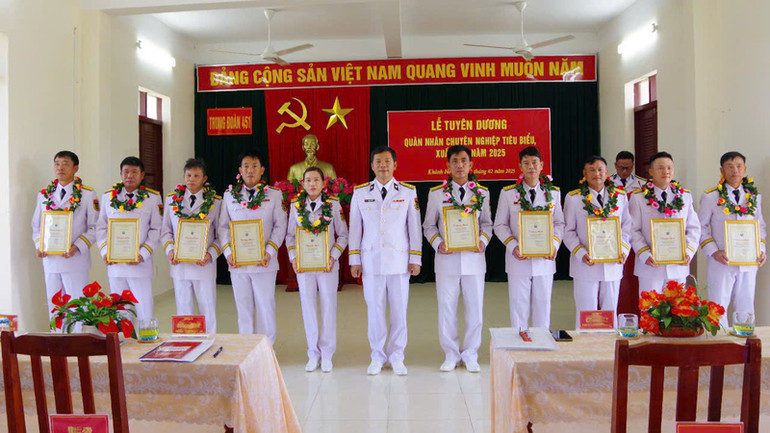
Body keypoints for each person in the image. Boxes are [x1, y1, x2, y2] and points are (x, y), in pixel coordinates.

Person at [349, 146, 421, 376]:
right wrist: (354, 259)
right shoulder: (360, 192)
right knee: (375, 311)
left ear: (395, 165)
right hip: (371, 261)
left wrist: (415, 258)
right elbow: (355, 229)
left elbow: (414, 228)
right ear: (372, 165)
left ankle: (397, 356)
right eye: (378, 162)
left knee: (399, 312)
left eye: (387, 161)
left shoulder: (408, 192)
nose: (383, 166)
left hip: (399, 261)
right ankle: (377, 356)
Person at [424, 144, 493, 373]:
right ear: (448, 165)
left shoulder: (482, 193)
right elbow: (428, 226)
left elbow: (487, 224)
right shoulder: (436, 194)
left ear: (471, 164)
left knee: (475, 308)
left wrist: (482, 241)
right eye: (455, 161)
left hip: (474, 260)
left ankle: (471, 353)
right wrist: (438, 243)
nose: (460, 165)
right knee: (447, 308)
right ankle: (451, 354)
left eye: (464, 160)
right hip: (447, 260)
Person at [217, 150, 287, 342]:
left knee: (266, 306)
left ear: (262, 170)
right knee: (243, 307)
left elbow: (280, 225)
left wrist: (270, 251)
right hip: (238, 262)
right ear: (240, 170)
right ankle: (246, 346)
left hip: (264, 261)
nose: (250, 170)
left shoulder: (274, 194)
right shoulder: (229, 195)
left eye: (254, 166)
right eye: (246, 166)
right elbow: (223, 227)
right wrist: (228, 253)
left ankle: (267, 347)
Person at [493, 146, 564, 331]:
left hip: (544, 259)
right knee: (519, 307)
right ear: (520, 166)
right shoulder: (508, 193)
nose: (531, 167)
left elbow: (559, 223)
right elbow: (500, 225)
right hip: (518, 259)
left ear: (541, 165)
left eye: (534, 163)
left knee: (543, 307)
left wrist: (554, 244)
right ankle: (520, 344)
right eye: (526, 163)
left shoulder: (553, 193)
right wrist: (513, 246)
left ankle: (541, 342)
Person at [286, 166, 348, 372]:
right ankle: (313, 353)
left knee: (329, 306)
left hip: (327, 265)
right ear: (302, 184)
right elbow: (290, 236)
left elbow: (343, 235)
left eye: (316, 180)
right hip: (304, 266)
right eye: (308, 180)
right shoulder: (295, 206)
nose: (312, 184)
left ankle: (327, 353)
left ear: (323, 183)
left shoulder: (333, 204)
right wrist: (294, 258)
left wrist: (334, 256)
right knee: (308, 307)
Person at [698, 151, 766, 328]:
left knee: (746, 304)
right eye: (730, 166)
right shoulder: (711, 197)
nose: (735, 170)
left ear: (745, 169)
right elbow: (701, 227)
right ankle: (718, 342)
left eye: (738, 166)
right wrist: (714, 251)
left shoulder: (754, 197)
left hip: (749, 259)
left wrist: (761, 250)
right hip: (722, 260)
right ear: (722, 170)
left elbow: (760, 226)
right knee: (718, 305)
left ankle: (744, 341)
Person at [563, 156, 631, 328]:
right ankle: (585, 344)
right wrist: (580, 253)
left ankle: (609, 345)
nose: (597, 174)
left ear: (607, 172)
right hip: (586, 264)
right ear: (584, 174)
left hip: (612, 263)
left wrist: (623, 250)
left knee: (610, 311)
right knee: (586, 313)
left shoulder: (620, 197)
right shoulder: (574, 198)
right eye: (592, 170)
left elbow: (627, 227)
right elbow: (568, 231)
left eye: (600, 170)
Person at [31, 151, 98, 316]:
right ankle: (56, 334)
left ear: (76, 168)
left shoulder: (87, 195)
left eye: (65, 164)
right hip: (51, 259)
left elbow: (95, 227)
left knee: (77, 307)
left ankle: (77, 334)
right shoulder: (44, 195)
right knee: (55, 308)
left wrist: (77, 246)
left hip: (75, 260)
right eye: (57, 164)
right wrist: (40, 245)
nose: (60, 167)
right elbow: (36, 226)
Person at [160, 159, 223, 333]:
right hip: (179, 264)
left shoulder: (216, 202)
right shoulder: (172, 200)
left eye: (196, 176)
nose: (191, 179)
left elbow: (221, 235)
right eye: (188, 175)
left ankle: (209, 341)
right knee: (183, 309)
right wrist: (170, 250)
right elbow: (165, 231)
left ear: (204, 178)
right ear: (183, 176)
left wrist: (210, 254)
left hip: (204, 265)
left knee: (207, 307)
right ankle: (185, 343)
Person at [96, 156, 162, 321]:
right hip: (116, 266)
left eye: (134, 172)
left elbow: (156, 229)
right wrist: (105, 251)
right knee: (119, 312)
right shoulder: (108, 198)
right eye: (126, 172)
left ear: (142, 175)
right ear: (121, 174)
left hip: (140, 265)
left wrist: (143, 254)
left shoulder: (152, 198)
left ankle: (146, 337)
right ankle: (121, 338)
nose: (129, 176)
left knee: (144, 310)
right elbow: (101, 227)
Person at [628, 151, 700, 293]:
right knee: (650, 305)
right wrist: (644, 254)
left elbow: (694, 228)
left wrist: (688, 252)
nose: (666, 171)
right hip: (650, 266)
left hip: (678, 265)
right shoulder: (638, 197)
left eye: (669, 168)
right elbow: (632, 229)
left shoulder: (684, 196)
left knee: (677, 305)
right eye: (660, 168)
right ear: (651, 172)